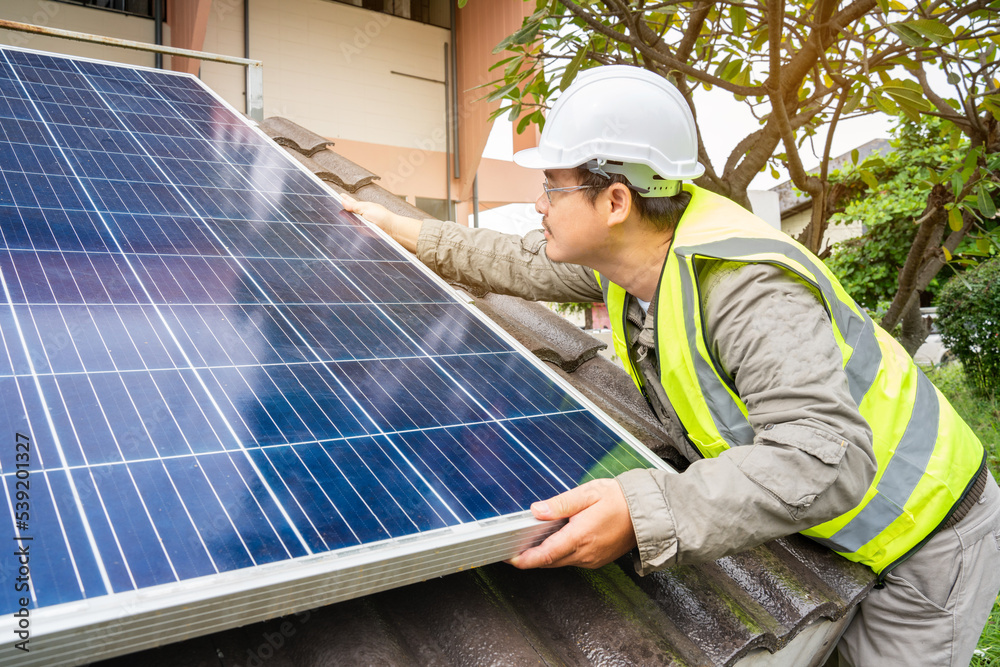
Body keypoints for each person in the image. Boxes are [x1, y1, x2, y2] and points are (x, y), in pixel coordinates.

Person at [342, 66, 1000, 666]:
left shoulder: (744, 288)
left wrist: (643, 510)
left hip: (926, 535)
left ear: (616, 201)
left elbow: (823, 458)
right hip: (836, 532)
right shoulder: (632, 261)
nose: (539, 203)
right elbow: (514, 260)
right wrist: (401, 229)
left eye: (552, 184)